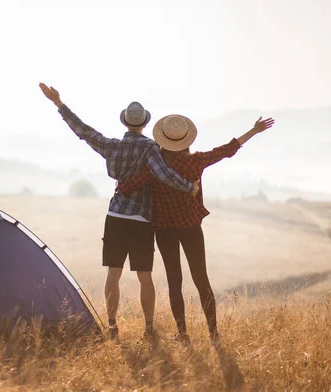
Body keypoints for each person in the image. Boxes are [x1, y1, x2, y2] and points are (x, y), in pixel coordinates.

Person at [39, 83, 199, 341]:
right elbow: (163, 174)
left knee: (113, 274)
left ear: (125, 122)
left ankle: (112, 326)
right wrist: (188, 186)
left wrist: (58, 103)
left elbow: (84, 131)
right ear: (145, 124)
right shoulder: (150, 148)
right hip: (141, 219)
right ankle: (148, 329)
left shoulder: (111, 146)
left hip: (115, 216)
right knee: (144, 277)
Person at [117, 114, 274, 344]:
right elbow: (226, 150)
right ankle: (213, 333)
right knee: (202, 279)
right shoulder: (196, 161)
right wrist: (253, 130)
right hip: (191, 227)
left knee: (174, 281)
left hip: (164, 230)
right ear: (186, 140)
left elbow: (130, 186)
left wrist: (121, 185)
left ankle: (182, 334)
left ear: (163, 140)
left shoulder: (156, 167)